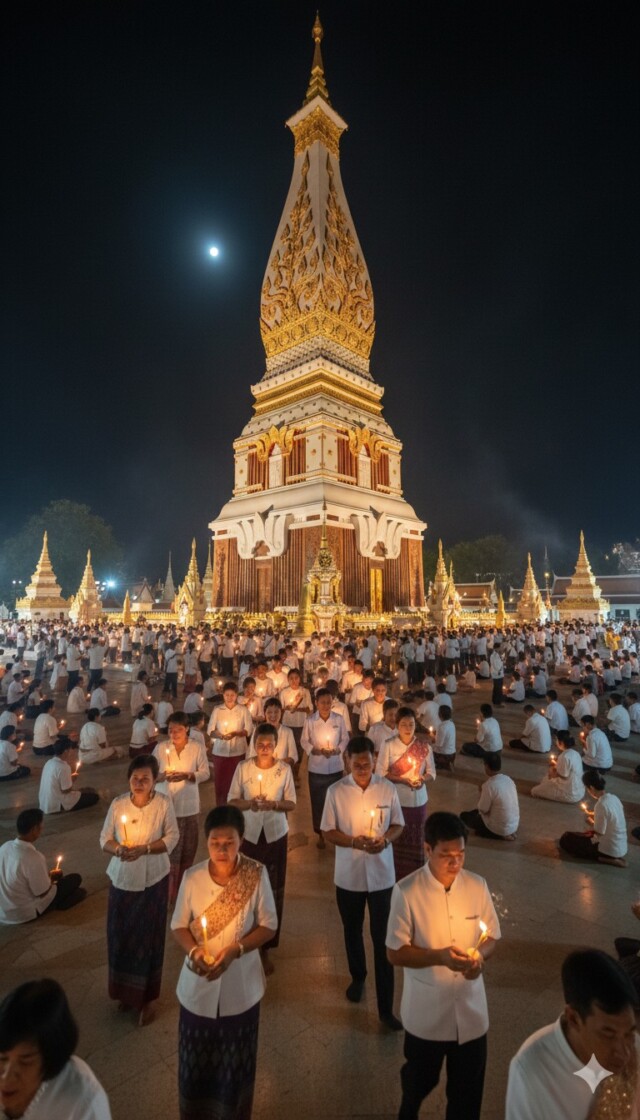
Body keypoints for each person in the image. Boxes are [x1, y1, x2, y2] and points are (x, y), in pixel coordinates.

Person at [386, 812, 501, 1120]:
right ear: (427, 850)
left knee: (467, 1096)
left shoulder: (477, 886)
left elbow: (491, 937)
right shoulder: (407, 891)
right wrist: (439, 957)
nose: (455, 862)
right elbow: (395, 953)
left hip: (471, 1011)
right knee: (418, 1084)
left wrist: (478, 959)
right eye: (446, 855)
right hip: (427, 1012)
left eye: (461, 854)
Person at [171, 805, 277, 1120]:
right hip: (197, 986)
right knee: (196, 1062)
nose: (222, 849)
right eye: (215, 842)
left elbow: (268, 925)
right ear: (206, 843)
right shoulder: (192, 877)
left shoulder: (255, 874)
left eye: (229, 842)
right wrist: (194, 952)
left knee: (236, 1062)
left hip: (241, 986)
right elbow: (178, 925)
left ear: (241, 841)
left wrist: (236, 949)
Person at [321, 737, 404, 1030]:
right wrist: (354, 841)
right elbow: (328, 831)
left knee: (383, 938)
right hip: (349, 875)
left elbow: (398, 824)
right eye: (356, 765)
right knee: (352, 929)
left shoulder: (387, 788)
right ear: (347, 762)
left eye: (366, 764)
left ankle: (385, 1007)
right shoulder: (336, 791)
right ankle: (358, 976)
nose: (362, 770)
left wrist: (385, 840)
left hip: (382, 874)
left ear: (374, 759)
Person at [506, 949, 640, 1120]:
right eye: (608, 1034)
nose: (625, 1052)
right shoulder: (531, 1071)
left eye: (629, 1033)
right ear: (574, 1018)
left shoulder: (635, 1048)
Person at [99, 754, 179, 1025]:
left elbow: (172, 837)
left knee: (149, 939)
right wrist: (119, 849)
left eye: (145, 778)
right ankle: (124, 992)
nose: (140, 782)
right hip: (122, 880)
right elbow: (104, 839)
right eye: (135, 778)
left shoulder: (163, 803)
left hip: (153, 880)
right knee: (120, 935)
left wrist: (145, 849)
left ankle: (146, 998)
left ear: (155, 780)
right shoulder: (119, 803)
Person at [228, 722, 296, 974]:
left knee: (273, 890)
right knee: (246, 889)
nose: (264, 748)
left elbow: (292, 803)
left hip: (275, 835)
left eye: (269, 744)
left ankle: (265, 947)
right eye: (260, 744)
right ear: (254, 745)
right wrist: (250, 804)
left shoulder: (284, 770)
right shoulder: (243, 768)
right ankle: (245, 942)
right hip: (250, 836)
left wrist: (275, 805)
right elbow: (232, 800)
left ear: (276, 745)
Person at [0, 978, 111, 1119]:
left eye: (25, 1061)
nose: (6, 1076)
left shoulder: (83, 1103)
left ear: (50, 1060)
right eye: (3, 1058)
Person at [154, 712, 210, 906]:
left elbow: (204, 772)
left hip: (189, 806)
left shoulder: (196, 748)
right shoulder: (161, 748)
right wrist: (161, 776)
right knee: (169, 851)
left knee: (187, 849)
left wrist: (188, 775)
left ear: (187, 728)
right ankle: (166, 892)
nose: (174, 733)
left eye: (178, 729)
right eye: (170, 730)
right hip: (167, 806)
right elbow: (151, 773)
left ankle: (181, 890)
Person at [376, 706, 435, 879]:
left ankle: (414, 875)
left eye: (411, 724)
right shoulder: (388, 745)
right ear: (397, 725)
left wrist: (422, 779)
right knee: (397, 837)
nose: (408, 728)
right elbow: (380, 772)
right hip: (397, 800)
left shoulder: (423, 747)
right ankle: (393, 873)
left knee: (416, 839)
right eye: (404, 724)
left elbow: (432, 773)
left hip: (417, 801)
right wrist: (403, 780)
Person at [0, 808, 85, 922]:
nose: (42, 829)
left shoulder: (5, 847)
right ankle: (58, 904)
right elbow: (42, 892)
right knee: (75, 880)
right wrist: (51, 879)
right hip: (24, 912)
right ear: (34, 829)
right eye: (40, 826)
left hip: (4, 911)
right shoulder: (33, 857)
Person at [301, 688, 350, 849]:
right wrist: (314, 750)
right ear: (316, 703)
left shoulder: (339, 719)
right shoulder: (310, 720)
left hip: (336, 766)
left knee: (337, 802)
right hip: (316, 768)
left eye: (329, 702)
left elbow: (345, 738)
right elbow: (304, 741)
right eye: (322, 702)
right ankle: (320, 834)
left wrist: (338, 750)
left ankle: (336, 834)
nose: (326, 705)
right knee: (318, 802)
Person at [558, 770, 628, 867]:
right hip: (621, 846)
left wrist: (589, 821)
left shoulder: (601, 805)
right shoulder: (614, 798)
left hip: (609, 849)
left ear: (591, 787)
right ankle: (612, 856)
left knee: (566, 839)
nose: (588, 791)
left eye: (587, 788)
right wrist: (593, 814)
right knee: (580, 836)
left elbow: (599, 832)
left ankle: (606, 859)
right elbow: (611, 817)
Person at [207, 682, 253, 806]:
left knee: (236, 782)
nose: (229, 698)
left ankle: (235, 807)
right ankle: (221, 807)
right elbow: (210, 730)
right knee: (220, 782)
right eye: (227, 695)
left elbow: (249, 729)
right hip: (220, 752)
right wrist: (221, 736)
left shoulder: (243, 710)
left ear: (236, 695)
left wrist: (236, 733)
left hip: (238, 752)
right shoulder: (217, 710)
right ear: (223, 695)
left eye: (232, 695)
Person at [460, 754, 519, 840]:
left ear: (486, 766)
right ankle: (508, 831)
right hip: (514, 825)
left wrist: (481, 792)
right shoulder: (508, 779)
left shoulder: (489, 785)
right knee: (474, 813)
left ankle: (501, 834)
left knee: (464, 816)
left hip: (498, 827)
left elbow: (482, 809)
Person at [39, 740, 99, 813]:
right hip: (58, 804)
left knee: (86, 790)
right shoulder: (64, 767)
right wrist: (73, 779)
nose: (71, 752)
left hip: (45, 802)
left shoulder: (49, 762)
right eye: (70, 749)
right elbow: (65, 790)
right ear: (65, 751)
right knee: (95, 797)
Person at [531, 732, 585, 802]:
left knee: (534, 791)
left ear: (561, 743)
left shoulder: (564, 757)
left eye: (556, 740)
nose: (555, 742)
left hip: (570, 794)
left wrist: (551, 767)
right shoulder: (575, 753)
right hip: (579, 791)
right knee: (545, 779)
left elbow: (563, 776)